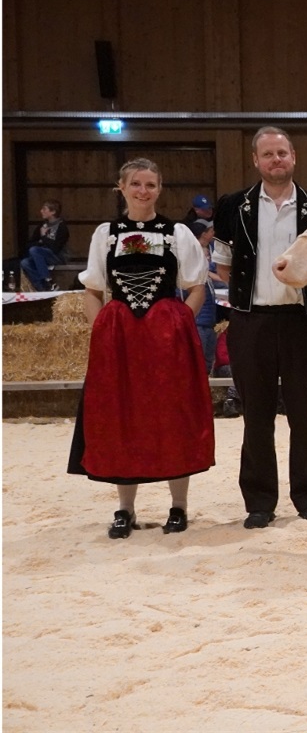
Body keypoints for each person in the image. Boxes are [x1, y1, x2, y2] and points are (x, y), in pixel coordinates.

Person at [66, 158, 214, 538]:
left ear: (159, 189)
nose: (143, 191)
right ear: (121, 187)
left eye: (150, 184)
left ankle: (178, 507)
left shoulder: (176, 233)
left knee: (173, 415)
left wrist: (179, 323)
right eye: (135, 184)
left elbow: (196, 286)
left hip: (166, 340)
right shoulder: (106, 234)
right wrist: (101, 329)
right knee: (121, 416)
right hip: (120, 339)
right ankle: (125, 509)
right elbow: (93, 290)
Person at [212, 126, 307, 528]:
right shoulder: (233, 206)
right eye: (268, 154)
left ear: (294, 157)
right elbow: (223, 266)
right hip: (252, 321)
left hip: (303, 321)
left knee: (305, 414)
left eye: (282, 153)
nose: (275, 160)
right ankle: (260, 503)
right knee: (256, 416)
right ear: (256, 160)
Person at [188, 218, 219, 373]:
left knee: (207, 363)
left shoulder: (210, 251)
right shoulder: (190, 270)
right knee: (196, 363)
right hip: (198, 322)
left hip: (209, 323)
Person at [20, 200, 70, 291]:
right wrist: (40, 242)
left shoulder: (62, 227)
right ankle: (42, 288)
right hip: (40, 256)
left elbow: (55, 248)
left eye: (44, 209)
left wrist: (43, 237)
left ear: (53, 212)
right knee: (25, 262)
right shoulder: (42, 226)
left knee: (35, 250)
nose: (41, 211)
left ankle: (48, 280)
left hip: (57, 256)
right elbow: (30, 243)